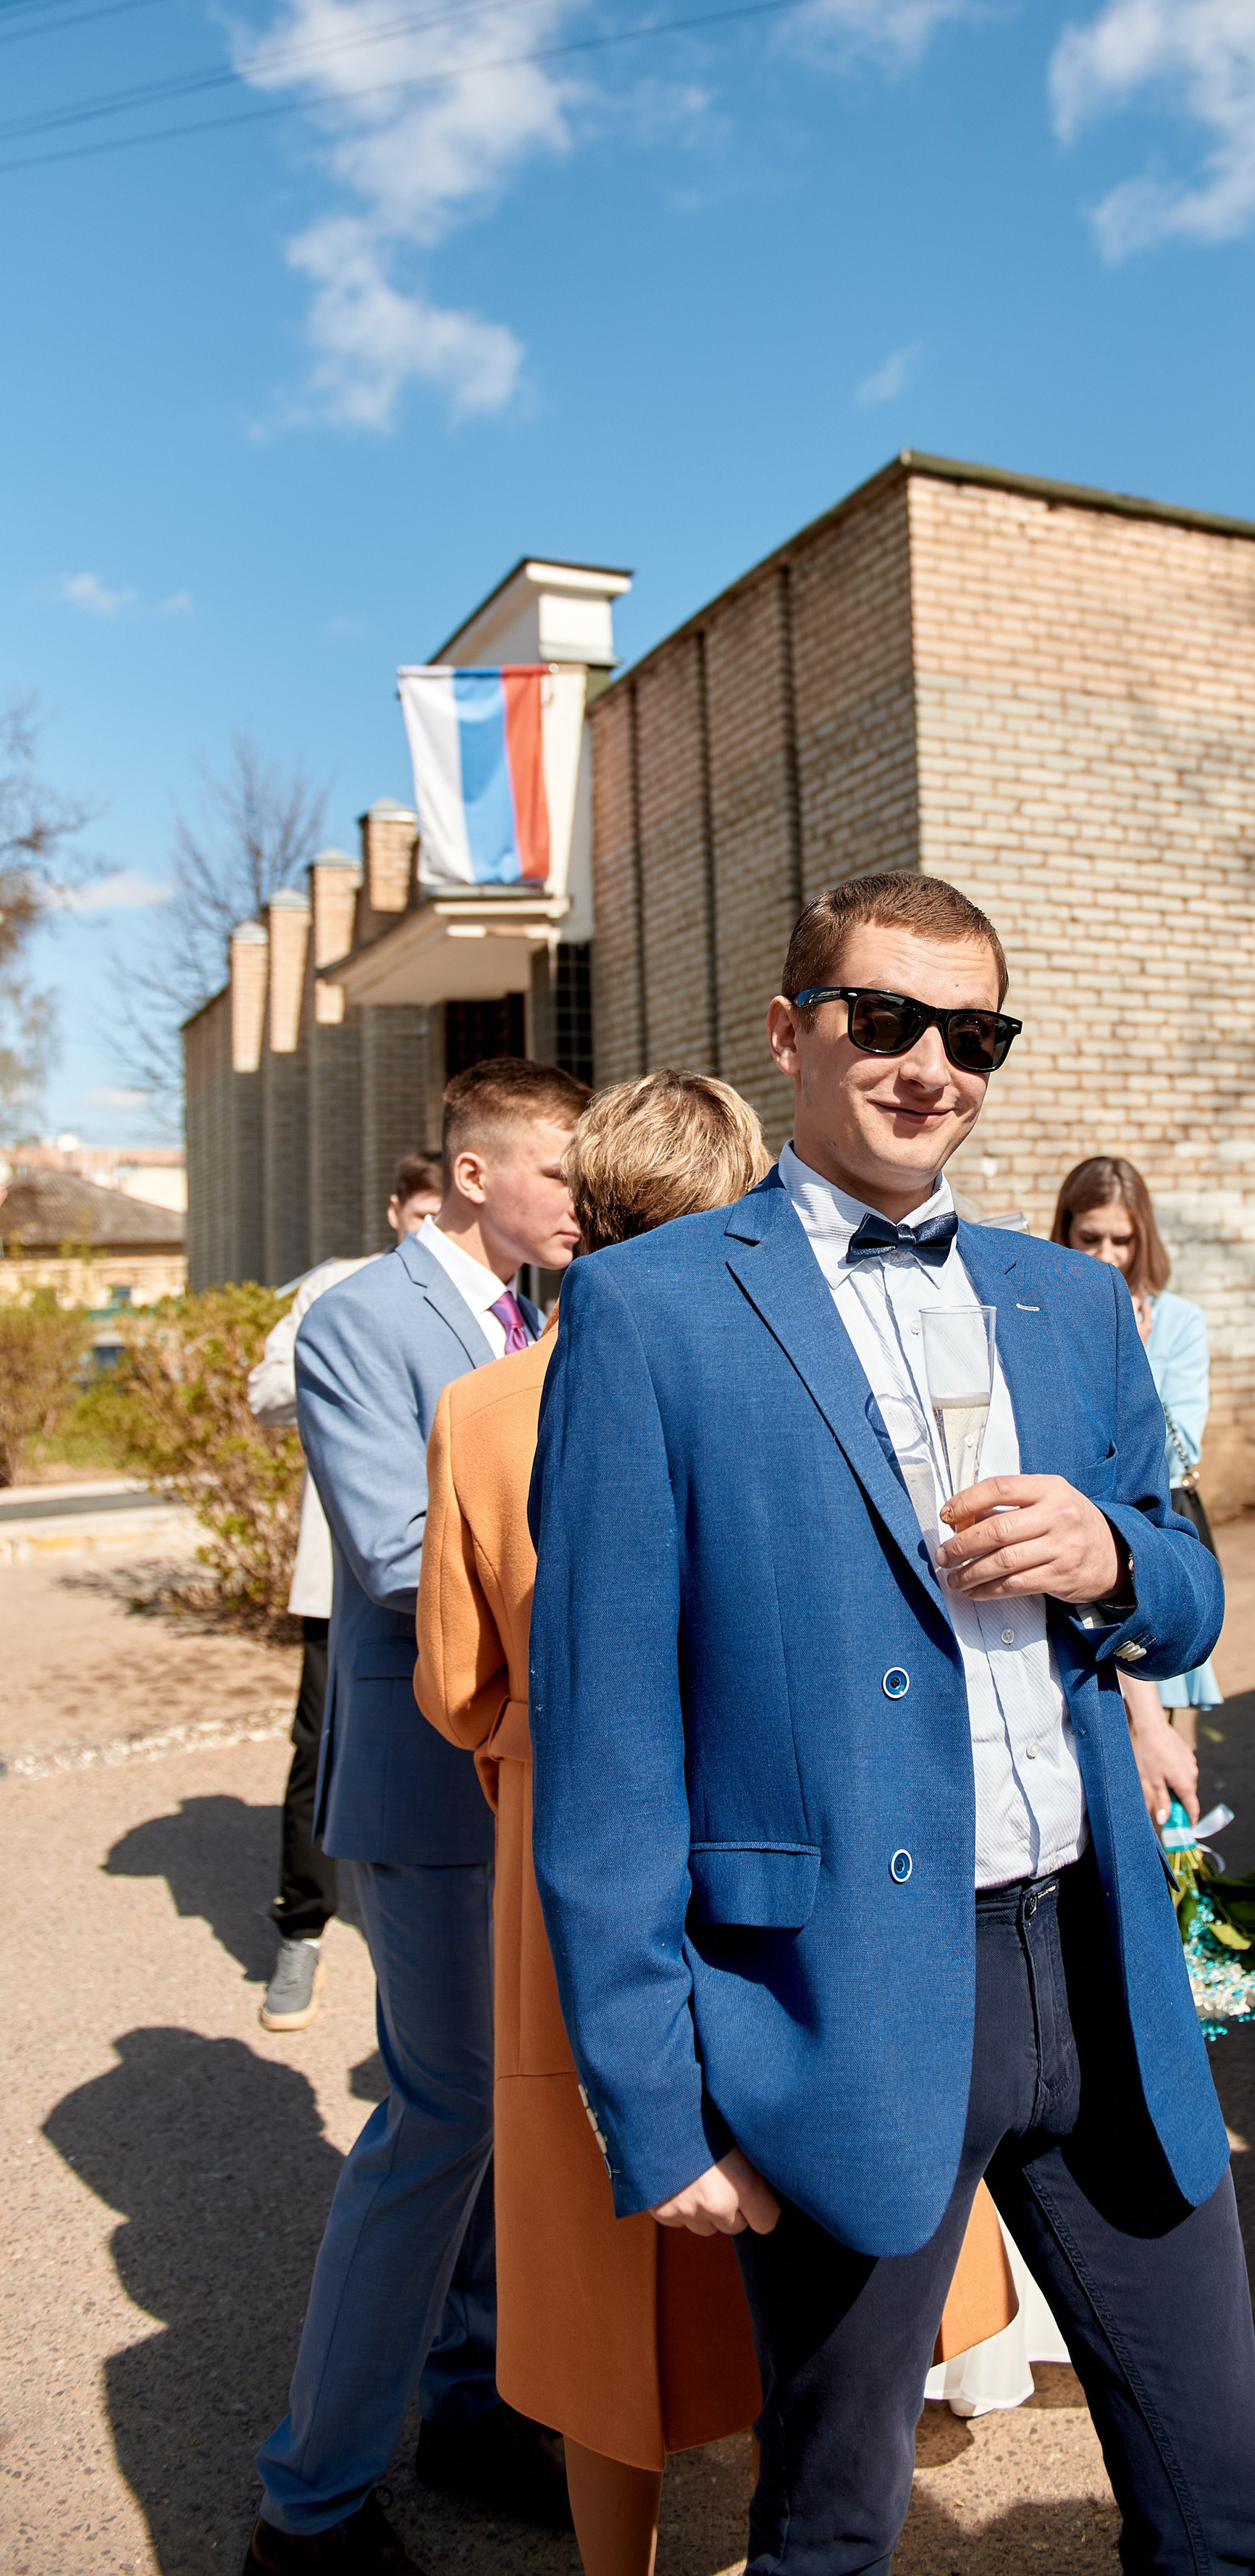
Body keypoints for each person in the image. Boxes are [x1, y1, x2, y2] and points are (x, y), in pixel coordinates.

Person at [529, 871, 1255, 2576]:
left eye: (971, 1033)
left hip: (1093, 1964)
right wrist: (653, 2099)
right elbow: (605, 1746)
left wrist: (1112, 1558)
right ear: (789, 1030)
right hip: (839, 1999)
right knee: (831, 2523)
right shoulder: (649, 1311)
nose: (927, 1063)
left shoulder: (1067, 1300)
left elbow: (1185, 1590)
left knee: (1223, 2499)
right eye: (882, 1018)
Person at [416, 1066, 1020, 2572]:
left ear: (584, 1207)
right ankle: (800, 2517)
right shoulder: (815, 1366)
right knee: (810, 2187)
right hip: (798, 1822)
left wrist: (532, 1745)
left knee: (598, 2251)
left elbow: (456, 1685)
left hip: (567, 1852)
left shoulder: (487, 1408)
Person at [245, 1058, 589, 2576]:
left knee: (507, 2109)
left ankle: (470, 2407)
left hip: (529, 1765)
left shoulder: (541, 1314)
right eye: (560, 1172)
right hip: (428, 1773)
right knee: (444, 2114)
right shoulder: (361, 1320)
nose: (580, 1200)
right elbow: (395, 1552)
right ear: (471, 1174)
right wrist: (621, 1569)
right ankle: (305, 2509)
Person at [248, 1150, 443, 2035]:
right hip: (345, 1575)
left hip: (444, 1575)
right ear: (396, 1210)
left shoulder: (507, 1299)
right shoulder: (341, 1293)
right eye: (419, 1213)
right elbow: (265, 1393)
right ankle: (301, 1926)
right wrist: (359, 1375)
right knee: (319, 1746)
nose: (430, 1226)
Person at [1053, 1156, 1220, 1758]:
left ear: (1142, 1237)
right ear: (1065, 1232)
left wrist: (1135, 1360)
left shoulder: (1178, 1322)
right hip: (1077, 1539)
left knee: (1169, 1746)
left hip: (1151, 1535)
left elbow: (1183, 1450)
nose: (1108, 1256)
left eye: (1121, 1240)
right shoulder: (1047, 1314)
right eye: (1089, 1237)